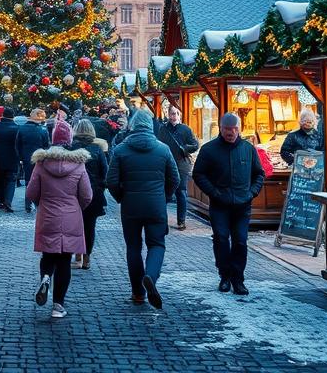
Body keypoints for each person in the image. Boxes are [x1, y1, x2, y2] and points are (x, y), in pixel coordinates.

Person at [105, 110, 179, 309]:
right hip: (156, 205)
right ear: (150, 126)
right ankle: (151, 276)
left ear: (132, 126)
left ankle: (138, 293)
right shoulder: (163, 149)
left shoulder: (121, 150)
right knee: (157, 244)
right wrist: (164, 197)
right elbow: (175, 179)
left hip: (131, 206)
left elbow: (111, 180)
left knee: (133, 247)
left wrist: (121, 197)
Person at [192, 112, 265, 296]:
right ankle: (224, 276)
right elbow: (198, 174)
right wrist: (214, 192)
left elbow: (259, 174)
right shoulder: (209, 149)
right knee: (221, 238)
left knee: (240, 241)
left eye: (234, 129)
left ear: (239, 129)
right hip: (220, 204)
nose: (230, 132)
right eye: (227, 129)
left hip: (242, 205)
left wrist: (252, 193)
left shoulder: (248, 149)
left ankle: (238, 279)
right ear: (221, 128)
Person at [26, 120, 92, 319]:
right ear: (69, 140)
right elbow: (87, 195)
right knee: (64, 260)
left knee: (48, 255)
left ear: (53, 140)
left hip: (47, 215)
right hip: (71, 216)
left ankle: (46, 278)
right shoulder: (78, 164)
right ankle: (58, 305)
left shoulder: (41, 163)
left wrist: (42, 203)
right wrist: (76, 208)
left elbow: (31, 192)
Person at [70, 119, 108, 270]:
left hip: (73, 193)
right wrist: (100, 186)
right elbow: (105, 172)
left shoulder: (70, 148)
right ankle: (86, 258)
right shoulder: (97, 149)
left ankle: (77, 255)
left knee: (74, 225)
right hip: (94, 193)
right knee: (90, 227)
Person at [156, 106, 199, 230]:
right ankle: (162, 220)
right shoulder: (163, 129)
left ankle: (181, 221)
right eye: (172, 113)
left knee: (181, 192)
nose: (174, 116)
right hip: (167, 164)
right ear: (168, 114)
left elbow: (195, 145)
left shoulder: (186, 129)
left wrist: (185, 148)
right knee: (165, 192)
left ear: (179, 115)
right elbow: (159, 144)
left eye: (176, 113)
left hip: (181, 164)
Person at [17, 108, 50, 211]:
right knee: (40, 181)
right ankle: (37, 203)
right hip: (40, 159)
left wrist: (21, 158)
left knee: (28, 181)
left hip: (26, 158)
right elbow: (46, 145)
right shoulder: (43, 130)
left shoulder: (21, 128)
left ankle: (28, 204)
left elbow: (17, 145)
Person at [0, 106, 20, 212]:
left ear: (3, 115)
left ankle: (0, 200)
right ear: (13, 116)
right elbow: (18, 144)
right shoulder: (17, 128)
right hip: (12, 158)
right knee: (11, 180)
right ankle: (8, 201)